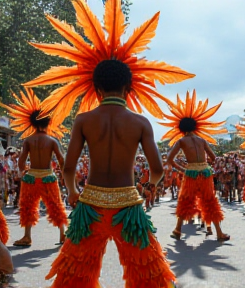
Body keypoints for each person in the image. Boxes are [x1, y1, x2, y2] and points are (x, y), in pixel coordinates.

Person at [45, 60, 176, 288]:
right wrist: (148, 188)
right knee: (149, 275)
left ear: (96, 90)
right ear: (128, 88)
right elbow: (157, 169)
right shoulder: (140, 122)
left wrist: (73, 192)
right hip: (129, 211)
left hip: (89, 210)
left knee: (75, 274)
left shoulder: (83, 120)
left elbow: (68, 168)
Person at [0, 87, 68, 247]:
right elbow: (61, 160)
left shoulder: (28, 141)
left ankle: (27, 236)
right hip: (48, 177)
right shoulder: (52, 141)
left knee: (28, 207)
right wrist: (64, 175)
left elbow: (21, 161)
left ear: (32, 122)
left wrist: (23, 172)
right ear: (48, 122)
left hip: (31, 178)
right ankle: (62, 234)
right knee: (55, 205)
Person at [159, 89, 229, 241]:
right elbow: (213, 157)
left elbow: (170, 159)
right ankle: (219, 233)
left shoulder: (181, 141)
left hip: (190, 173)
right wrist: (206, 166)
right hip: (205, 172)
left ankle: (178, 229)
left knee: (186, 200)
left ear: (181, 129)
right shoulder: (201, 140)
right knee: (209, 200)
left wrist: (183, 169)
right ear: (195, 127)